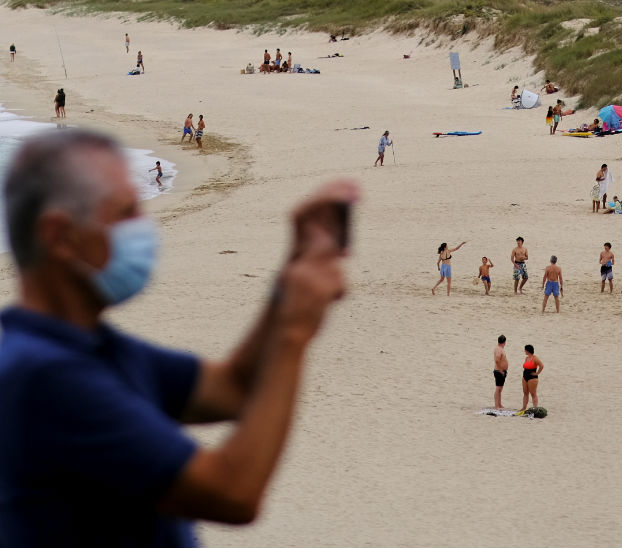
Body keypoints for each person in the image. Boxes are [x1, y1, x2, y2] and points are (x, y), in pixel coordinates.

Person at [0, 130, 360, 546]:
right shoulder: (45, 378)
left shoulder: (92, 348)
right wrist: (295, 331)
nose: (144, 227)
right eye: (127, 211)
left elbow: (235, 388)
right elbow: (233, 493)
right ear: (60, 236)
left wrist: (290, 278)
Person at [517, 345, 544, 415]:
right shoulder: (526, 358)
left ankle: (535, 408)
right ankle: (523, 407)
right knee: (525, 393)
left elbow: (541, 366)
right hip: (525, 376)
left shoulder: (535, 358)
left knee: (533, 393)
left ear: (528, 350)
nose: (524, 351)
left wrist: (537, 373)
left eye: (525, 350)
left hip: (532, 378)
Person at [492, 335, 508, 409]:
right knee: (498, 388)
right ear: (504, 342)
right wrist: (501, 370)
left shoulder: (499, 348)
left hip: (501, 371)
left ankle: (499, 404)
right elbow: (497, 360)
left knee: (500, 388)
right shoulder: (499, 349)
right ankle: (496, 405)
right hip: (499, 371)